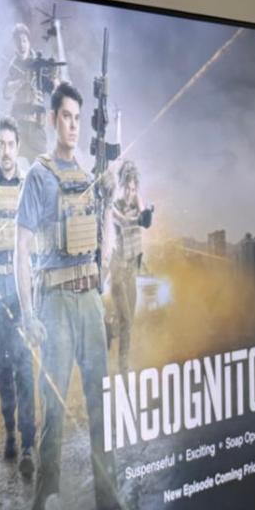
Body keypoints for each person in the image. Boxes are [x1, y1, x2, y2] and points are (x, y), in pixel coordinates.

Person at [14, 81, 130, 510]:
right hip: (56, 305)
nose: (72, 125)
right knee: (54, 428)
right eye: (65, 116)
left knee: (103, 412)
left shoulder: (88, 176)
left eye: (77, 118)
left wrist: (108, 206)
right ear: (51, 119)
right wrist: (28, 313)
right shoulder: (38, 177)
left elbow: (104, 249)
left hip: (88, 303)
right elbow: (21, 249)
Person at [0, 116, 36, 475]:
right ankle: (11, 432)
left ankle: (28, 442)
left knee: (24, 364)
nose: (6, 151)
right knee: (1, 365)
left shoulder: (29, 187)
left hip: (21, 287)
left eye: (11, 144)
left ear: (18, 147)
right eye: (0, 144)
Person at [109, 160, 154, 373]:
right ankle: (123, 368)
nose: (130, 193)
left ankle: (112, 327)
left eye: (133, 189)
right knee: (126, 321)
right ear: (121, 186)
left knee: (129, 322)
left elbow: (144, 212)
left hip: (131, 273)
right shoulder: (113, 206)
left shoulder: (136, 199)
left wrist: (146, 213)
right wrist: (141, 220)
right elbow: (125, 222)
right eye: (127, 188)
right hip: (118, 273)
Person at [3, 23, 59, 165]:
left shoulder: (39, 65)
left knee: (41, 169)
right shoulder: (13, 66)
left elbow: (54, 90)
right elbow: (6, 92)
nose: (21, 45)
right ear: (14, 44)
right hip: (18, 129)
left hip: (36, 129)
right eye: (18, 41)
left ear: (29, 42)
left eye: (24, 41)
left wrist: (54, 77)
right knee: (8, 166)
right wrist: (21, 80)